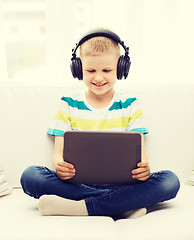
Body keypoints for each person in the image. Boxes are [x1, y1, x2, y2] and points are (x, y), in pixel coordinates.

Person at [20, 29, 180, 219]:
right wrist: (60, 167)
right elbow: (57, 154)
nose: (98, 77)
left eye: (106, 70)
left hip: (123, 184)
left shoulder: (130, 104)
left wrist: (143, 170)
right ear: (78, 69)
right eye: (90, 70)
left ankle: (82, 207)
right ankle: (121, 205)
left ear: (120, 68)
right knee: (30, 176)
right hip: (76, 184)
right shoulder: (68, 103)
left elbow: (140, 157)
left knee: (170, 181)